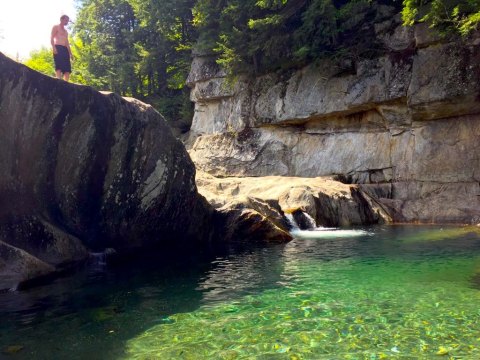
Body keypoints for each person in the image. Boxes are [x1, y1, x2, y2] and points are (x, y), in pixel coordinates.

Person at [51, 15, 73, 81]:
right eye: (66, 20)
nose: (67, 22)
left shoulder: (66, 32)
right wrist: (53, 47)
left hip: (65, 49)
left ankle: (66, 84)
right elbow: (51, 38)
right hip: (58, 47)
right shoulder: (56, 27)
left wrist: (71, 54)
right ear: (61, 19)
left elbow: (67, 43)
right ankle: (58, 81)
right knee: (59, 66)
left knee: (67, 68)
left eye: (67, 21)